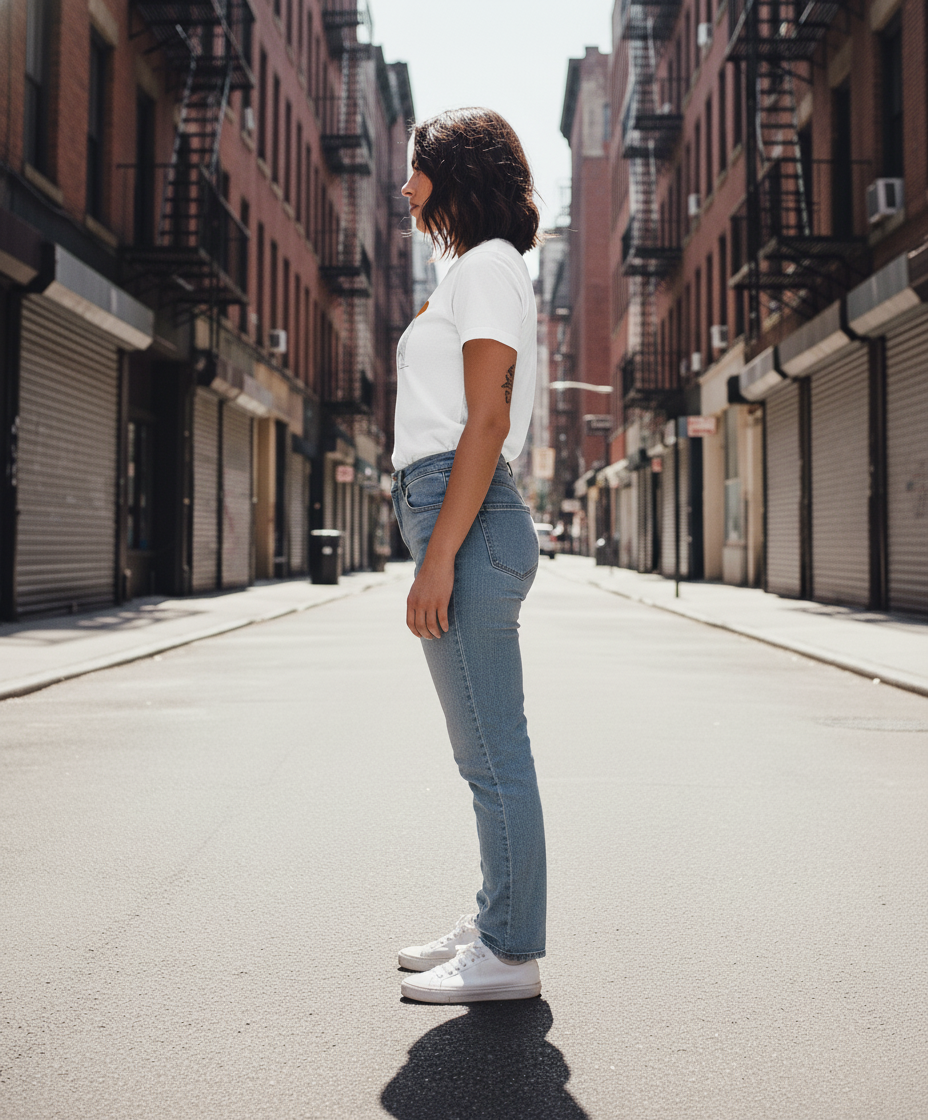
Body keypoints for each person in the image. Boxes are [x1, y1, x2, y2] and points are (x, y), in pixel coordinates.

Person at [390, 108, 546, 1004]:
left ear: (454, 173)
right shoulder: (476, 270)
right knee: (484, 749)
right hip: (459, 507)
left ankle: (509, 952)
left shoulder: (486, 268)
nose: (406, 185)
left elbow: (486, 418)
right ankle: (498, 916)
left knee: (492, 752)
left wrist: (439, 553)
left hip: (468, 513)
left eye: (417, 168)